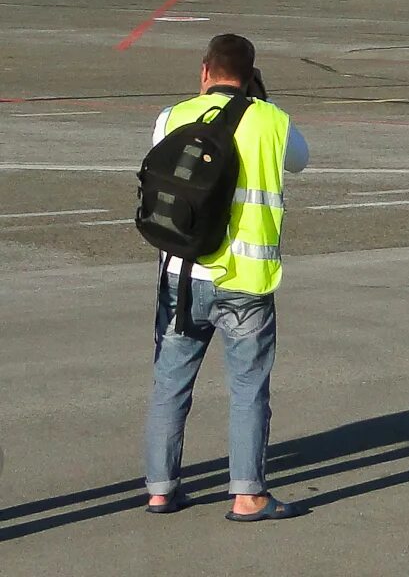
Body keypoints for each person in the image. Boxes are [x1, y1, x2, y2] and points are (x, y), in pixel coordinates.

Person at [143, 34, 310, 521]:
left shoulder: (171, 117)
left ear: (205, 71)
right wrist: (262, 102)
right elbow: (299, 160)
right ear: (251, 73)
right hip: (245, 280)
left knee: (169, 382)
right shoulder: (271, 121)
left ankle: (159, 487)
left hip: (181, 271)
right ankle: (247, 493)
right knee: (247, 388)